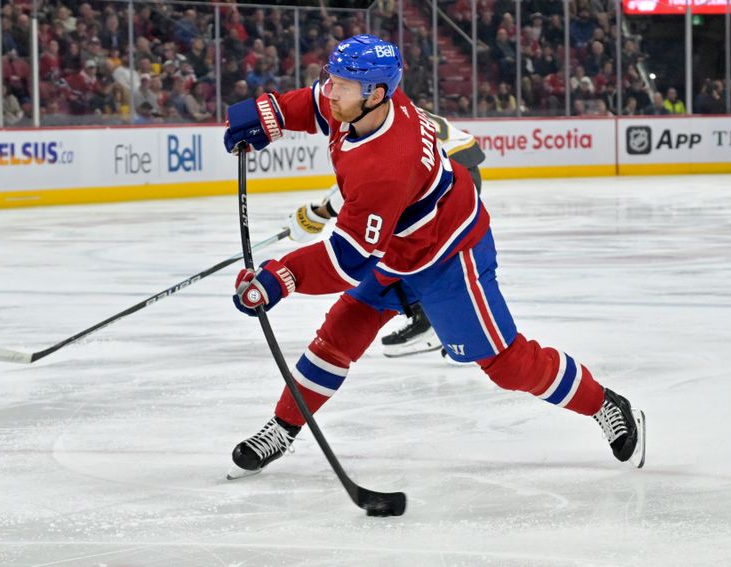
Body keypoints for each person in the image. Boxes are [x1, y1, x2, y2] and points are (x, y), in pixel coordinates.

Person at [222, 34, 646, 480]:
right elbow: (311, 104)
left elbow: (348, 260)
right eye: (332, 78)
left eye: (341, 85)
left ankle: (605, 404)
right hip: (395, 248)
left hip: (449, 255)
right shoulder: (360, 102)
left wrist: (278, 279)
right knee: (337, 337)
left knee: (507, 364)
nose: (330, 91)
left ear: (377, 95)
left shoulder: (386, 164)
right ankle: (283, 428)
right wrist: (265, 115)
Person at [285, 108, 486, 359]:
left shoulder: (368, 128)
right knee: (414, 250)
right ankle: (449, 322)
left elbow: (373, 186)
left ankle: (433, 321)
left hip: (446, 174)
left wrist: (320, 213)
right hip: (457, 166)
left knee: (397, 250)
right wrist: (321, 211)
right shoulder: (384, 112)